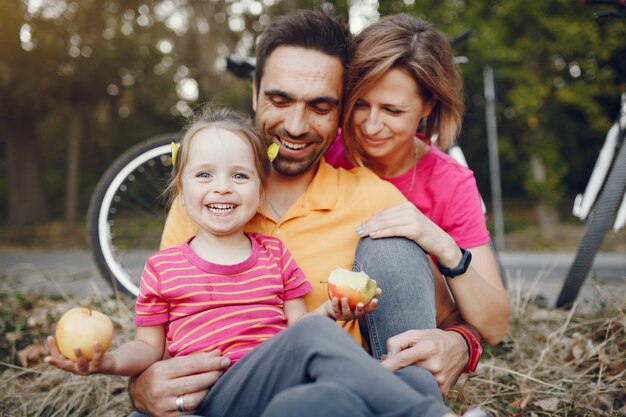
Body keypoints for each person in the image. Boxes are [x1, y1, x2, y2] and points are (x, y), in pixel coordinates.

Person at [130, 9, 487, 417]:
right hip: (224, 397)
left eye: (320, 107)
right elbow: (160, 330)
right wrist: (140, 388)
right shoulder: (205, 204)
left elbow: (454, 315)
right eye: (279, 100)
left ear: (341, 109)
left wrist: (461, 342)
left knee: (316, 402)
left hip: (323, 402)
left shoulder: (373, 198)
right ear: (254, 91)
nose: (296, 126)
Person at [45, 104, 461, 417]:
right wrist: (107, 363)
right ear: (181, 189)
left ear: (261, 190)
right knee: (319, 344)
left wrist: (333, 312)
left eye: (239, 176)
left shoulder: (274, 255)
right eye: (204, 175)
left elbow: (301, 329)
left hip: (273, 394)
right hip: (214, 397)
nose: (222, 188)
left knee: (353, 392)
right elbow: (146, 348)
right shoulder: (164, 267)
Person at [325, 13, 510, 345]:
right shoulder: (325, 151)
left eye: (392, 111)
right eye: (360, 104)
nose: (370, 125)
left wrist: (442, 246)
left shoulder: (450, 182)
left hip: (399, 338)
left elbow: (495, 327)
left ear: (428, 105)